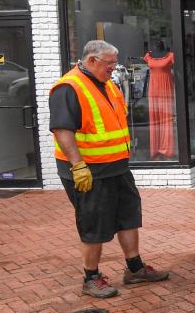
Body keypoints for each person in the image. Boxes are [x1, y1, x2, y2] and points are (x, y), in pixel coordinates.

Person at [49, 40, 169, 298]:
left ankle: (135, 269)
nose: (114, 68)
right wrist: (78, 165)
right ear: (92, 61)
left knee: (128, 216)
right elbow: (62, 130)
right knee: (94, 223)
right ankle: (91, 278)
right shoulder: (69, 87)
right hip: (89, 170)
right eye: (110, 63)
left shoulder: (107, 85)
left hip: (116, 167)